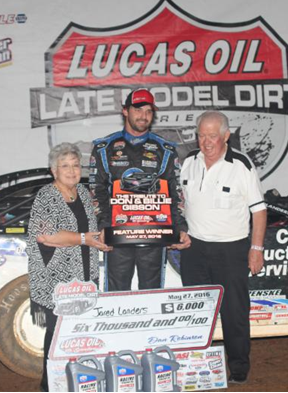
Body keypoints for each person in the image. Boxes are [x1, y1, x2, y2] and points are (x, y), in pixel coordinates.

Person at [179, 110, 267, 385]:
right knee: (196, 312)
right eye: (201, 135)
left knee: (234, 312)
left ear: (226, 136)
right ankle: (196, 364)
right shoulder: (189, 162)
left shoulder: (241, 164)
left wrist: (256, 248)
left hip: (231, 250)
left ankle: (239, 367)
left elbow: (259, 210)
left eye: (212, 136)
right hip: (194, 249)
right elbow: (184, 204)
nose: (206, 142)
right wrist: (180, 228)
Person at [25, 142, 111, 392]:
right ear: (54, 170)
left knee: (79, 333)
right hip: (56, 278)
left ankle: (79, 381)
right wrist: (85, 239)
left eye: (75, 165)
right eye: (65, 166)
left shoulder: (83, 193)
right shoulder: (46, 195)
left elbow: (93, 229)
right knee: (57, 333)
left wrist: (101, 242)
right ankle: (50, 385)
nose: (72, 170)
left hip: (84, 275)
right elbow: (45, 235)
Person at [89, 88, 190, 291]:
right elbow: (95, 189)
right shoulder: (104, 148)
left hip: (154, 234)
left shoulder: (166, 150)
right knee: (116, 294)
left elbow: (175, 192)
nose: (143, 115)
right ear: (125, 111)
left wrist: (180, 229)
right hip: (117, 234)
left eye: (148, 111)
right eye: (138, 109)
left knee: (152, 293)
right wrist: (104, 226)